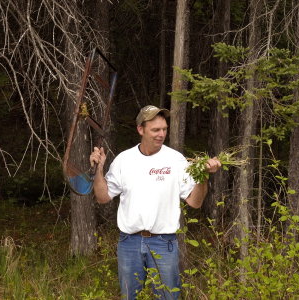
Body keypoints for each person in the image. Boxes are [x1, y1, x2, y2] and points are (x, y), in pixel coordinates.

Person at [90, 105, 221, 299]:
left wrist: (203, 176)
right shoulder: (124, 160)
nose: (161, 134)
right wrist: (99, 169)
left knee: (167, 296)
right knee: (129, 296)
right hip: (129, 243)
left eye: (164, 129)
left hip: (163, 242)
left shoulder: (176, 161)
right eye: (155, 130)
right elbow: (102, 197)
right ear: (140, 130)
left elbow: (195, 202)